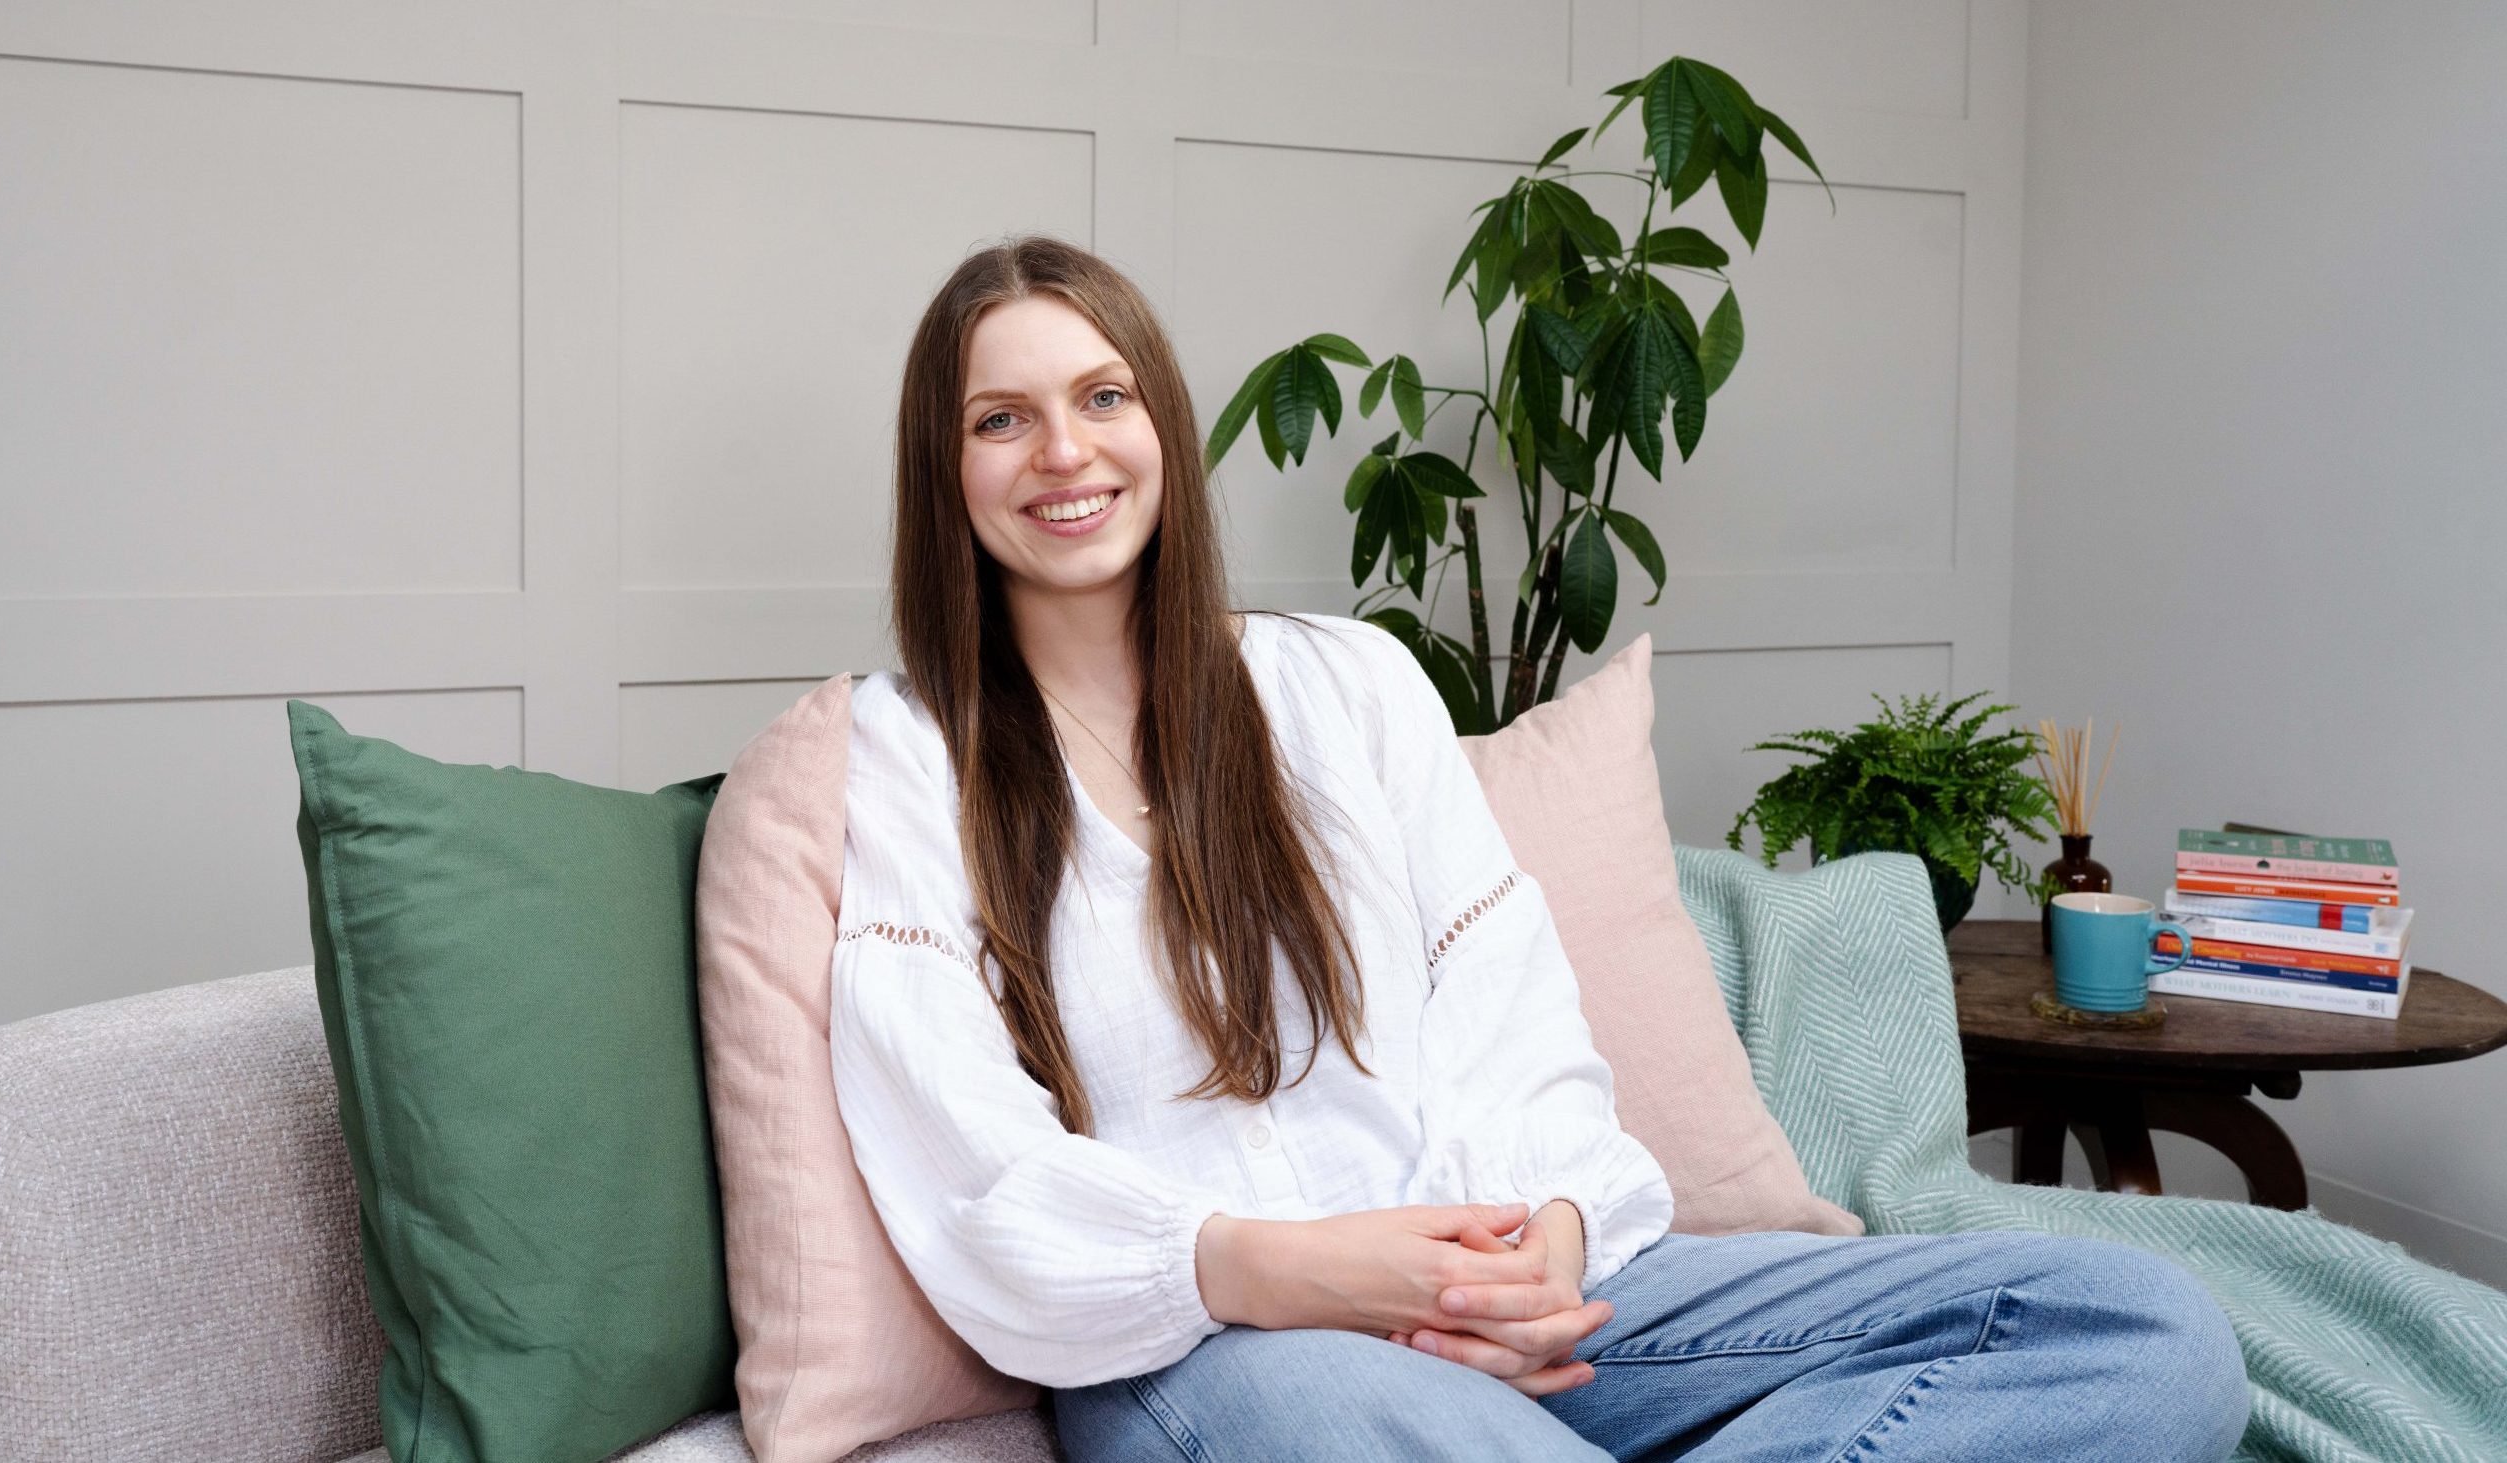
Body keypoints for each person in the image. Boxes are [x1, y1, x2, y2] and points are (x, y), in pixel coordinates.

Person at [825, 232, 2251, 1462]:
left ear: (1162, 425)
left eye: (1102, 396)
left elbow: (1516, 1021)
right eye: (998, 419)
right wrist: (1289, 1272)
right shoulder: (902, 752)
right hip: (1223, 1347)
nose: (1064, 450)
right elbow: (965, 1160)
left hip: (1504, 1288)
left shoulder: (1349, 683)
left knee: (2143, 1335)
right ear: (939, 469)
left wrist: (1543, 1248)